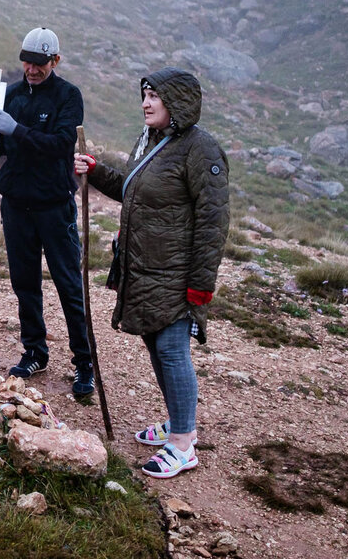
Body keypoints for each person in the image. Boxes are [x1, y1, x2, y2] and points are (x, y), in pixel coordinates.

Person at [74, 67, 229, 478]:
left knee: (173, 350)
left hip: (176, 274)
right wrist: (96, 170)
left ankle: (183, 442)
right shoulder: (152, 142)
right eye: (144, 95)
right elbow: (132, 188)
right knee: (156, 346)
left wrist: (200, 285)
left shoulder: (201, 150)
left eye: (154, 97)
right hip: (143, 269)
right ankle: (178, 421)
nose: (145, 103)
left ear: (175, 103)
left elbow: (214, 222)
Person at [0, 27, 95, 396]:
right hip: (16, 205)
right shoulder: (8, 94)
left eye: (40, 63)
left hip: (54, 205)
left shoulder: (68, 96)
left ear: (55, 61)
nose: (32, 69)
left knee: (68, 284)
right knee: (24, 283)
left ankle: (84, 363)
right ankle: (34, 351)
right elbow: (10, 148)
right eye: (27, 61)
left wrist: (17, 129)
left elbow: (61, 144)